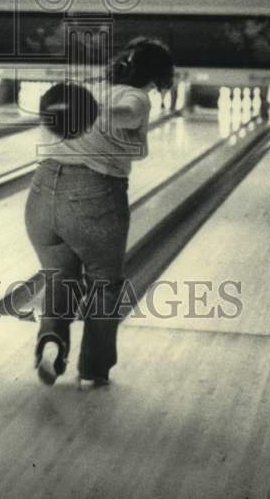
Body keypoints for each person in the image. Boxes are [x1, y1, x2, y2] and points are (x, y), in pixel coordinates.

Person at [24, 36, 175, 389]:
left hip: (41, 191)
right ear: (156, 76)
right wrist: (101, 114)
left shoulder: (86, 88)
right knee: (104, 286)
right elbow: (129, 114)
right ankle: (93, 368)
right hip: (94, 195)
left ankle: (52, 342)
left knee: (59, 278)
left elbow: (54, 118)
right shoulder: (135, 96)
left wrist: (86, 110)